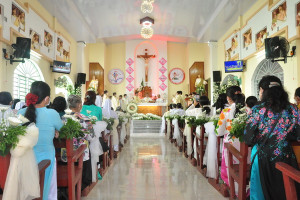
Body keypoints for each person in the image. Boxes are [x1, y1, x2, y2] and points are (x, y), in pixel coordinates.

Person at [244, 76, 300, 200]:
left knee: (263, 192)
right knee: (286, 191)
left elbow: (248, 138)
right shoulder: (293, 109)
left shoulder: (258, 110)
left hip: (264, 158)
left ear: (263, 91)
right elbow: (297, 134)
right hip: (286, 157)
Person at [18, 81, 63, 200]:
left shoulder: (21, 113)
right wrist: (56, 132)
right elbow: (62, 130)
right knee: (46, 190)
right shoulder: (52, 113)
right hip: (46, 161)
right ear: (47, 99)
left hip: (23, 162)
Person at [216, 85, 245, 187]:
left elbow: (219, 132)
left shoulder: (226, 111)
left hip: (231, 144)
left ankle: (232, 186)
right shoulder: (249, 110)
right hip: (245, 145)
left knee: (230, 164)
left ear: (228, 98)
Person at [67, 95, 94, 190]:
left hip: (66, 154)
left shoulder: (62, 118)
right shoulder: (85, 119)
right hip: (82, 155)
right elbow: (91, 136)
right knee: (86, 146)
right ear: (79, 105)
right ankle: (81, 185)